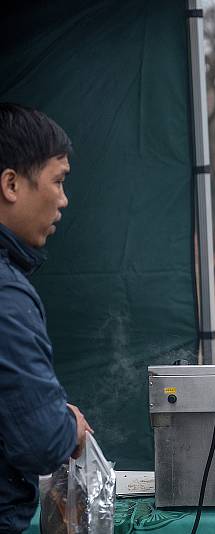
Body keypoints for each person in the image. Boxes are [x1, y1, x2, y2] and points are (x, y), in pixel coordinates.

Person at [0, 103, 93, 533]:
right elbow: (40, 441)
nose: (63, 199)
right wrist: (69, 425)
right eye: (57, 181)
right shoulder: (7, 296)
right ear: (12, 184)